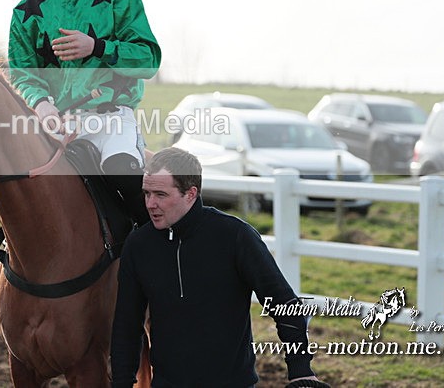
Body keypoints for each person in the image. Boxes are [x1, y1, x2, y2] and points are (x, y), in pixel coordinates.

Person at [0, 0, 161, 293]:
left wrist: (96, 46)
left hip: (111, 117)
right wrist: (43, 106)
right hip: (56, 121)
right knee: (27, 182)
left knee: (120, 171)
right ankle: (9, 261)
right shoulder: (26, 11)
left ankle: (162, 262)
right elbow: (24, 72)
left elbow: (149, 59)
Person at [110, 147, 324, 387]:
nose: (150, 204)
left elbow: (284, 305)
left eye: (160, 194)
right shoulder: (138, 245)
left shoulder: (235, 236)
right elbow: (126, 326)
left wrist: (300, 369)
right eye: (146, 193)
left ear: (190, 193)